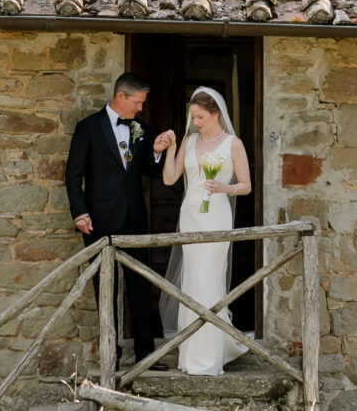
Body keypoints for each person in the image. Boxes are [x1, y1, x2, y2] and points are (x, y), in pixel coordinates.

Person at [65, 73, 174, 366]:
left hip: (135, 219)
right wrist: (80, 212)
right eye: (137, 103)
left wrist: (155, 151)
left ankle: (146, 355)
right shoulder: (87, 128)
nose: (140, 109)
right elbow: (73, 175)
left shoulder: (141, 128)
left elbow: (150, 172)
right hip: (98, 222)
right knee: (105, 290)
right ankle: (110, 357)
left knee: (140, 289)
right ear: (121, 96)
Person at [161, 87, 254, 375]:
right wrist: (171, 148)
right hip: (191, 215)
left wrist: (224, 188)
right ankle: (191, 355)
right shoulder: (190, 140)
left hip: (216, 214)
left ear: (216, 113)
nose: (196, 122)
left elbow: (246, 186)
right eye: (193, 117)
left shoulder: (233, 144)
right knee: (192, 280)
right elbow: (169, 179)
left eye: (200, 117)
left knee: (208, 279)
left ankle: (210, 356)